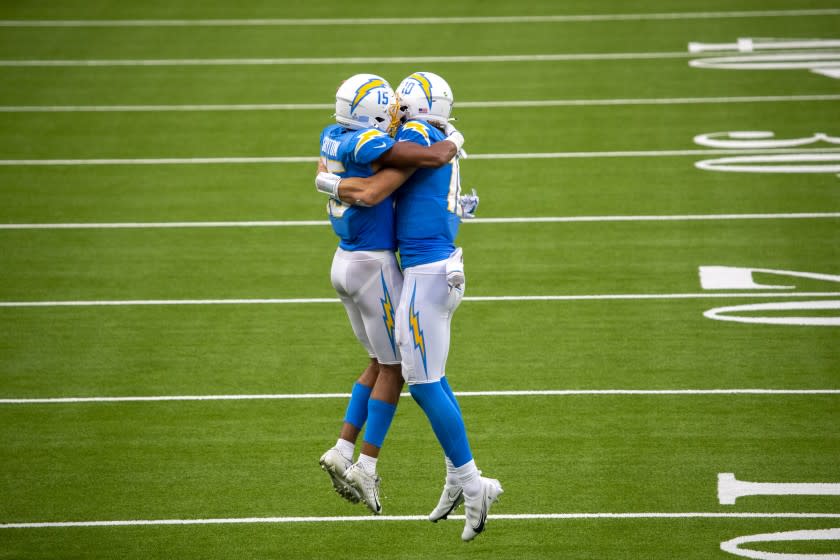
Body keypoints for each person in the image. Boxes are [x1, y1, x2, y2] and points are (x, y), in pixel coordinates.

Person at [315, 71, 502, 542]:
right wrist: (454, 139)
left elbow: (388, 178)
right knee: (420, 374)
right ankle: (458, 477)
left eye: (402, 105)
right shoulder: (429, 132)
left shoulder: (417, 134)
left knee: (418, 380)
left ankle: (472, 481)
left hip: (424, 273)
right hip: (429, 268)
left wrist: (331, 184)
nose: (396, 113)